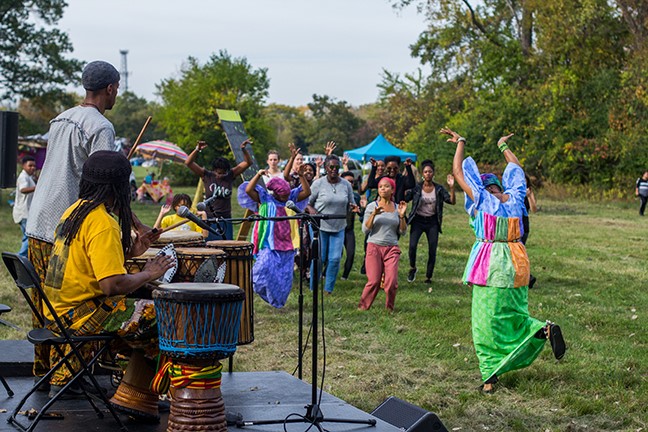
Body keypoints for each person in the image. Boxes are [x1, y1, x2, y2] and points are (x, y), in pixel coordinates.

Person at [42, 151, 173, 420]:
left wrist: (131, 253)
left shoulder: (75, 210)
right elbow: (111, 286)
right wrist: (149, 273)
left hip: (57, 311)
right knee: (164, 318)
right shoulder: (104, 223)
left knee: (141, 309)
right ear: (120, 187)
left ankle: (132, 386)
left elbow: (88, 266)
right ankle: (138, 394)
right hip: (79, 315)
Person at [442, 127, 566, 393]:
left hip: (491, 264)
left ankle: (490, 378)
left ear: (482, 187)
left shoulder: (482, 200)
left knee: (485, 322)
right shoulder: (515, 198)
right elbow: (517, 169)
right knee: (515, 312)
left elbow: (458, 172)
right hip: (517, 261)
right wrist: (503, 146)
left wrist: (460, 142)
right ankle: (541, 330)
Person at [25, 60, 123, 382]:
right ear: (110, 88)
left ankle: (43, 373)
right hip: (63, 226)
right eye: (117, 90)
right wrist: (133, 226)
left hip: (37, 221)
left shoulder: (60, 118)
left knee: (44, 306)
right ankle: (63, 378)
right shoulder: (101, 127)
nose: (116, 95)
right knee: (70, 306)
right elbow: (105, 181)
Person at [238, 170, 311, 308]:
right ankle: (262, 292)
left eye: (287, 195)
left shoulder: (291, 198)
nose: (286, 197)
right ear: (276, 193)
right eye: (283, 195)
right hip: (269, 243)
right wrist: (258, 175)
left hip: (287, 243)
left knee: (284, 275)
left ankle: (277, 300)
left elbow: (307, 192)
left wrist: (301, 176)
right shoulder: (265, 198)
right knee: (261, 269)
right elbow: (248, 190)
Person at [307, 154, 358, 294]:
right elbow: (307, 203)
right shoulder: (318, 184)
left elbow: (351, 203)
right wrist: (311, 210)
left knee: (335, 259)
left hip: (339, 226)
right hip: (320, 226)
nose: (334, 169)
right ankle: (313, 288)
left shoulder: (346, 185)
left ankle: (328, 289)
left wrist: (354, 207)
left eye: (337, 167)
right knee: (320, 258)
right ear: (325, 168)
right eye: (331, 167)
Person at [184, 138, 252, 240]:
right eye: (219, 173)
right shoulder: (207, 175)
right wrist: (197, 149)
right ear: (214, 170)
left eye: (224, 173)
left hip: (225, 219)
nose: (221, 175)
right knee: (209, 244)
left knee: (226, 244)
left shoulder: (230, 175)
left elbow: (248, 162)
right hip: (209, 218)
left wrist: (243, 149)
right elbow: (188, 163)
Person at [358, 177, 407, 311]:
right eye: (380, 187)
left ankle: (389, 308)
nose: (383, 189)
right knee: (374, 281)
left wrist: (401, 216)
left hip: (392, 248)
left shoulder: (397, 207)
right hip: (374, 247)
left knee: (391, 282)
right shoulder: (371, 206)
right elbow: (365, 230)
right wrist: (373, 214)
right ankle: (363, 307)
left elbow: (403, 232)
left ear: (392, 190)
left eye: (386, 186)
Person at [405, 159, 456, 283]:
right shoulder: (417, 188)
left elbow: (451, 201)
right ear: (423, 174)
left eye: (430, 172)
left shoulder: (439, 188)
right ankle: (412, 267)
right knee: (412, 246)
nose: (428, 174)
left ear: (433, 173)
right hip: (418, 221)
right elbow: (405, 198)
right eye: (426, 172)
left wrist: (452, 187)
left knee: (432, 249)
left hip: (432, 222)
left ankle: (428, 276)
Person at [340, 171, 363, 280]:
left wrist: (361, 209)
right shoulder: (336, 195)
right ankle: (325, 273)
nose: (350, 184)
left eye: (352, 182)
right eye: (347, 181)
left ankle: (345, 276)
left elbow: (361, 213)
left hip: (349, 229)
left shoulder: (356, 197)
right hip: (337, 229)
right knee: (336, 255)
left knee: (351, 253)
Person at [13, 156, 37, 256]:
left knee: (28, 236)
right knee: (29, 237)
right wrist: (38, 187)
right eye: (30, 165)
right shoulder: (23, 177)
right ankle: (21, 257)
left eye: (34, 166)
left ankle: (24, 258)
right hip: (24, 213)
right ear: (23, 166)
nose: (32, 168)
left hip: (27, 212)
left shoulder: (29, 177)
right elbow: (23, 189)